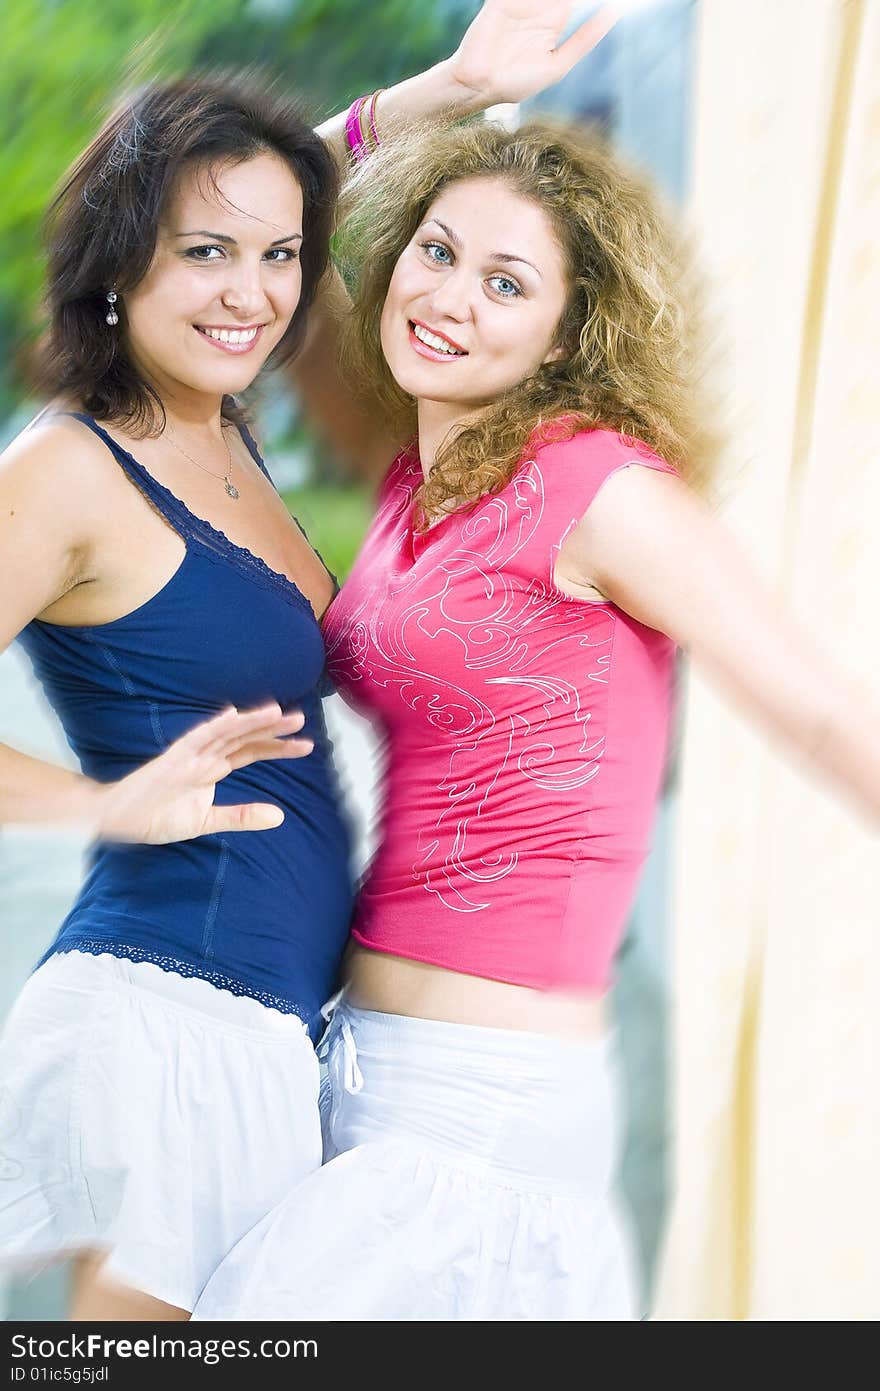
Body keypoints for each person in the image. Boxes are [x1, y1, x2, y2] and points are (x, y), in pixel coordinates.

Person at [193, 111, 880, 1322]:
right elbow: (228, 219)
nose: (447, 296)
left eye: (506, 281)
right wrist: (459, 83)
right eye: (438, 249)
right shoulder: (428, 472)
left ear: (572, 330)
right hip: (364, 1067)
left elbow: (825, 712)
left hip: (483, 1109)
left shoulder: (601, 489)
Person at [0, 3, 619, 1322]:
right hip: (169, 1009)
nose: (254, 290)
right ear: (119, 264)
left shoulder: (227, 431)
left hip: (269, 1022)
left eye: (278, 256)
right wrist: (99, 803)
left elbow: (299, 180)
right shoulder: (68, 463)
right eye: (204, 252)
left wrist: (455, 83)